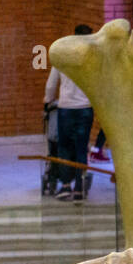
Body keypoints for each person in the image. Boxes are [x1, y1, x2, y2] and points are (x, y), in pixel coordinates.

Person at [44, 24, 96, 201]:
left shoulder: (62, 57)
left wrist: (47, 100)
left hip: (66, 109)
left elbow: (51, 84)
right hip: (85, 109)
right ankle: (79, 188)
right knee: (81, 147)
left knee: (64, 147)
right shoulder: (91, 59)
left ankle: (65, 186)